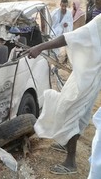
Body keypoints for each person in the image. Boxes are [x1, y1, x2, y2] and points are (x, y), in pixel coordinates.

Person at [26, 11, 101, 175]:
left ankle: (71, 162)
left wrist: (40, 47)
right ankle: (65, 142)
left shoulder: (99, 21)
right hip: (89, 75)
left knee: (69, 112)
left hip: (87, 78)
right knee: (76, 112)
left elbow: (70, 38)